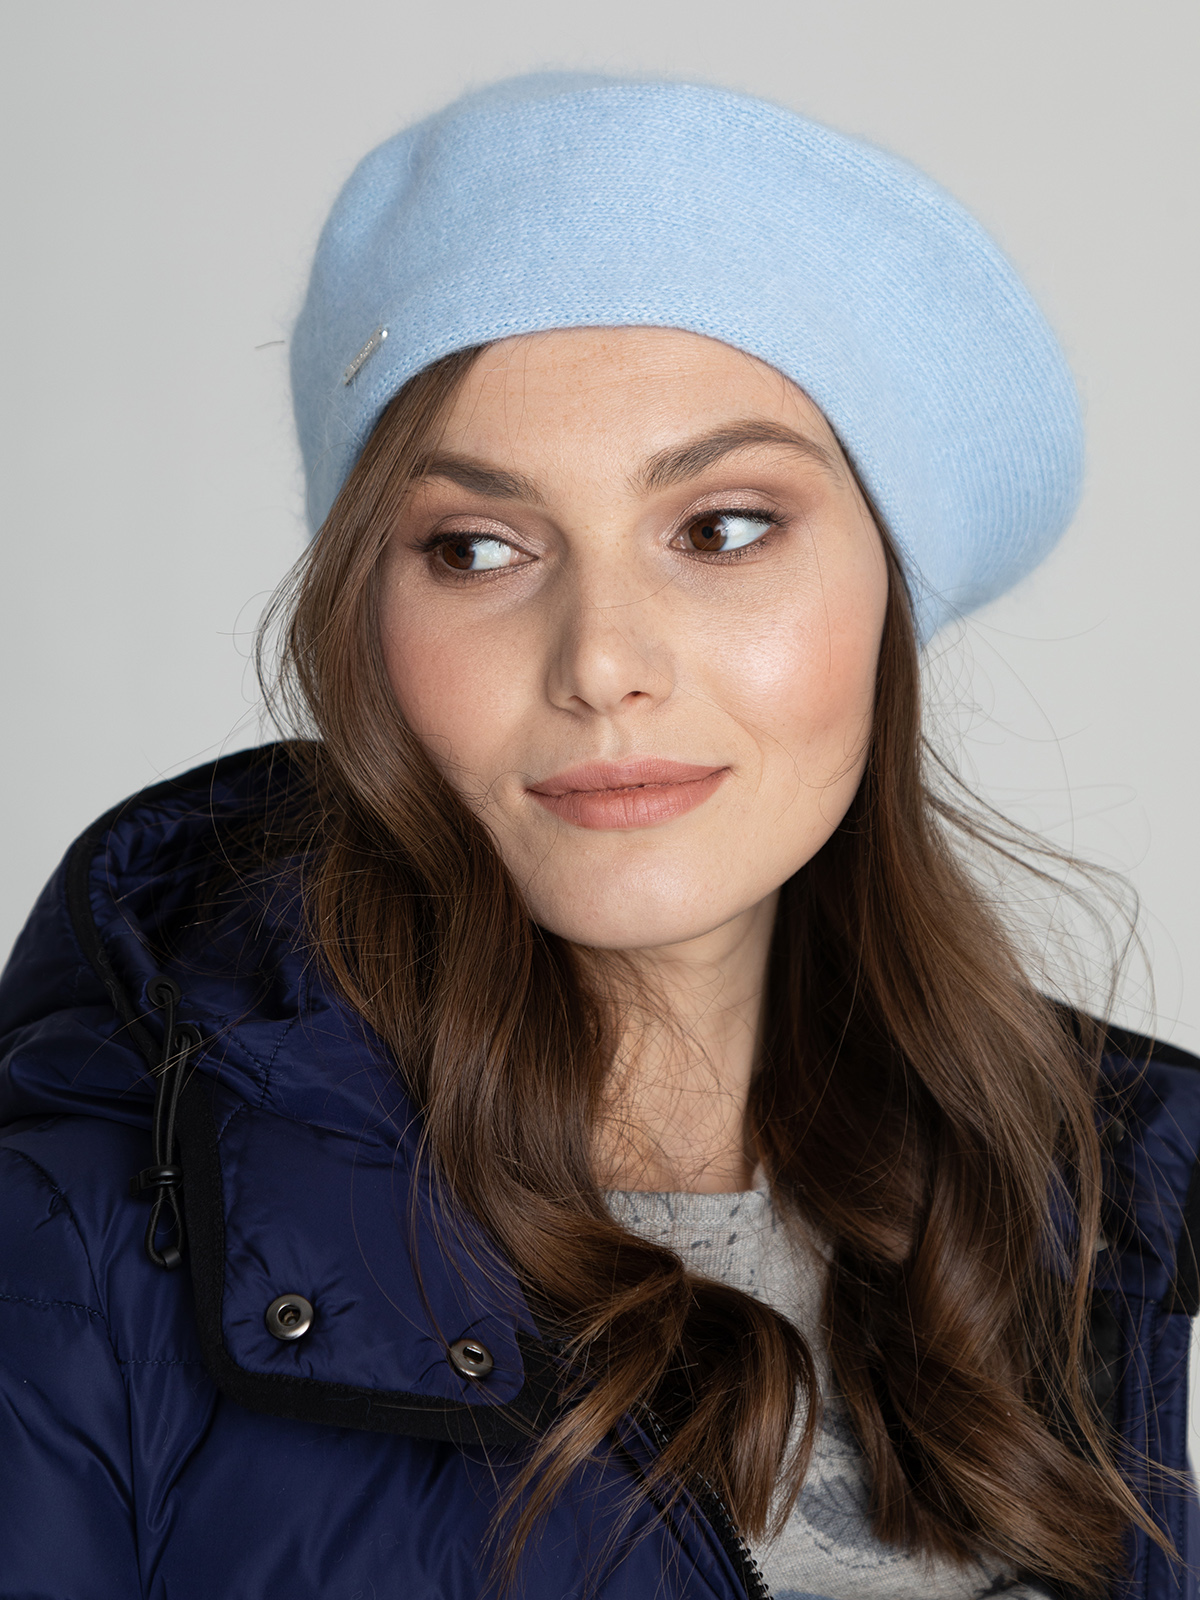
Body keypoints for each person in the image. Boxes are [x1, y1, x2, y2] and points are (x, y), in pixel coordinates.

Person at [0, 72, 1196, 1600]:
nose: (601, 661)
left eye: (723, 528)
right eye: (476, 547)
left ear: (889, 594)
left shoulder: (1101, 1216)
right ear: (369, 618)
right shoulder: (73, 1250)